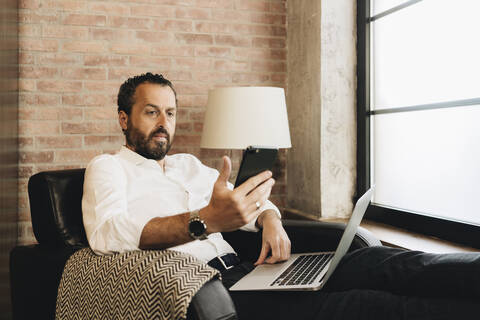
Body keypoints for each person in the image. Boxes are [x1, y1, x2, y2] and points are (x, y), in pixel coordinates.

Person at [82, 73, 479, 320]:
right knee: (371, 306)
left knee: (391, 264)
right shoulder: (107, 167)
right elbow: (109, 233)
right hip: (213, 288)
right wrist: (208, 221)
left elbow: (246, 200)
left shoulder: (187, 164)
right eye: (151, 112)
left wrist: (269, 218)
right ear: (123, 118)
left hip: (253, 269)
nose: (163, 124)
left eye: (170, 113)